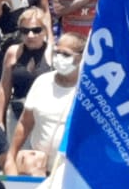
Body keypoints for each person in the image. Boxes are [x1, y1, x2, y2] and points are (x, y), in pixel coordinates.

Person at [6, 34, 84, 175]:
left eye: (66, 54)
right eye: (57, 52)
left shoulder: (88, 90)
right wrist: (11, 157)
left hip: (73, 173)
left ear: (81, 57)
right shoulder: (42, 81)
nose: (59, 58)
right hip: (40, 170)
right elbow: (25, 122)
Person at [0, 6, 52, 133]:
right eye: (25, 31)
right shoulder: (13, 52)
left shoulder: (53, 53)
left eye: (36, 30)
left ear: (45, 31)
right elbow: (4, 87)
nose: (30, 35)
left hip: (45, 116)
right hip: (17, 113)